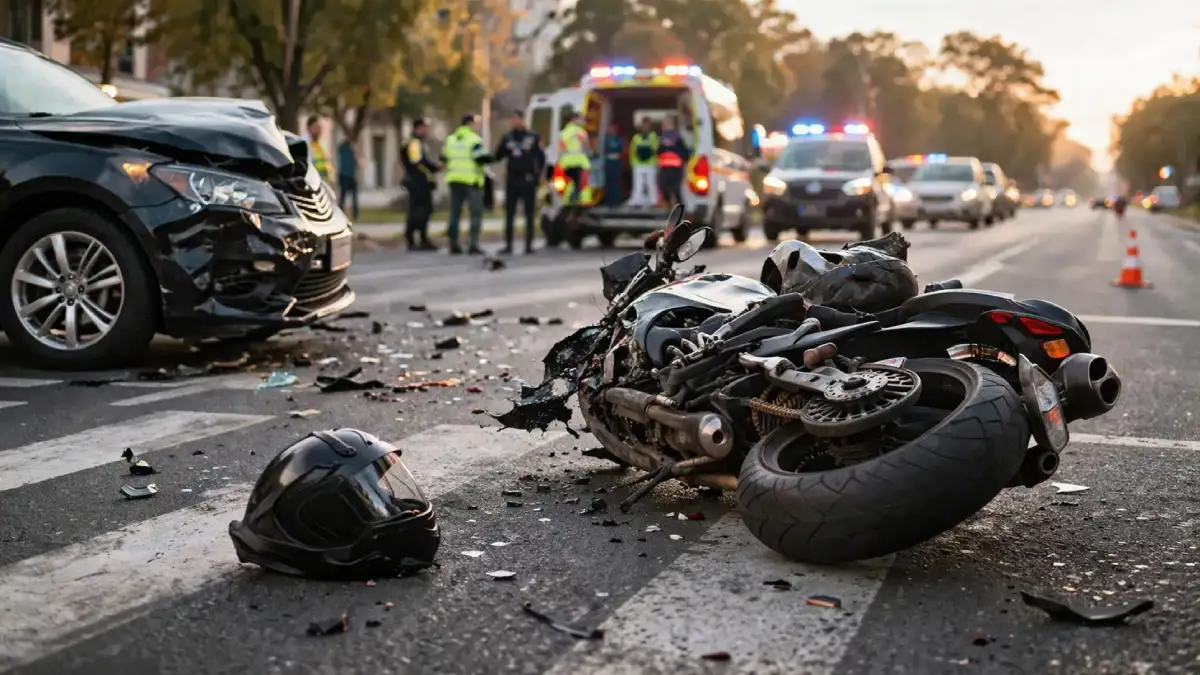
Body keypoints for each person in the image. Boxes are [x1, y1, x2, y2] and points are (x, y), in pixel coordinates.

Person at [493, 109, 545, 254]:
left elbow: (541, 157)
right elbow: (498, 155)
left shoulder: (533, 137)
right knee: (509, 213)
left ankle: (528, 245)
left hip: (528, 179)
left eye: (517, 119)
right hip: (512, 179)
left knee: (529, 214)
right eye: (512, 119)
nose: (514, 122)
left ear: (523, 120)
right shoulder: (507, 137)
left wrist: (537, 176)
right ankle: (508, 245)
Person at [441, 113, 493, 255]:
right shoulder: (474, 140)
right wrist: (493, 157)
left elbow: (443, 158)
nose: (477, 126)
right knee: (475, 212)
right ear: (470, 123)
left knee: (455, 213)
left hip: (454, 180)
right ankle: (473, 244)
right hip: (471, 181)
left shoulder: (450, 139)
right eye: (476, 123)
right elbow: (481, 158)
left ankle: (453, 244)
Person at [400, 118, 440, 251]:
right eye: (425, 128)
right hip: (418, 182)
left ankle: (415, 239)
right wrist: (434, 169)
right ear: (418, 128)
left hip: (415, 180)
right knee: (421, 210)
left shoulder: (413, 142)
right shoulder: (414, 142)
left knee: (416, 210)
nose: (426, 130)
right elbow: (418, 163)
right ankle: (419, 239)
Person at [556, 109, 591, 205]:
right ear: (575, 119)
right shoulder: (581, 132)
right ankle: (583, 202)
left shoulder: (563, 132)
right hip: (580, 162)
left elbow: (560, 149)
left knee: (569, 184)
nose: (583, 121)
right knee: (583, 184)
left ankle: (567, 202)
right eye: (582, 119)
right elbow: (586, 147)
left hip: (566, 163)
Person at [657, 116, 689, 208]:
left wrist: (673, 146)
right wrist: (664, 146)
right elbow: (657, 152)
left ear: (672, 125)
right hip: (664, 169)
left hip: (675, 169)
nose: (665, 126)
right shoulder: (661, 139)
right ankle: (668, 208)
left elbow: (685, 153)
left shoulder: (678, 138)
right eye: (664, 124)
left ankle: (680, 210)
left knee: (676, 190)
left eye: (667, 124)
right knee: (664, 188)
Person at [628, 117, 659, 208]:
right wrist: (632, 162)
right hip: (638, 164)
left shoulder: (653, 136)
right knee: (638, 183)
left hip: (650, 163)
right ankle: (637, 200)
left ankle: (653, 200)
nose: (645, 126)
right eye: (643, 124)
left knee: (651, 183)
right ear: (641, 126)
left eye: (647, 125)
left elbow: (656, 149)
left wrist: (657, 163)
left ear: (650, 126)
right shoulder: (636, 137)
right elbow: (632, 150)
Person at [601, 122, 625, 207]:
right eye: (609, 129)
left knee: (616, 182)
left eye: (613, 129)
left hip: (616, 162)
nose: (611, 131)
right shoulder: (605, 140)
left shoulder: (619, 140)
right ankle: (608, 201)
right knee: (608, 182)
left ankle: (616, 201)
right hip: (608, 162)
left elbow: (622, 151)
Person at [336, 138, 360, 220]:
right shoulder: (344, 149)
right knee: (343, 197)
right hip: (345, 176)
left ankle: (355, 214)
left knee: (353, 197)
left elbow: (357, 164)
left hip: (350, 176)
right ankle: (342, 212)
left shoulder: (352, 151)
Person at [302, 116, 331, 183]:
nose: (319, 130)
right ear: (309, 128)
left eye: (320, 127)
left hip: (324, 181)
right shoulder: (304, 143)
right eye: (316, 127)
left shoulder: (322, 143)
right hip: (312, 181)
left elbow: (326, 162)